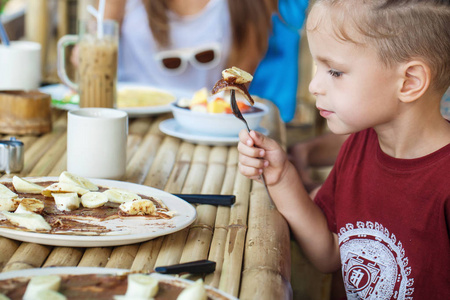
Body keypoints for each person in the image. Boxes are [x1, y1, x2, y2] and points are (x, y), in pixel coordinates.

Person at [237, 0, 450, 298]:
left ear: (410, 82)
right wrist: (281, 177)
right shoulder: (359, 147)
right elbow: (331, 252)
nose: (314, 86)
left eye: (335, 72)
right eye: (317, 67)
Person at [86, 0, 276, 95]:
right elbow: (93, 57)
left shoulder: (248, 6)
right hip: (126, 117)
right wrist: (86, 50)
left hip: (200, 124)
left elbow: (236, 84)